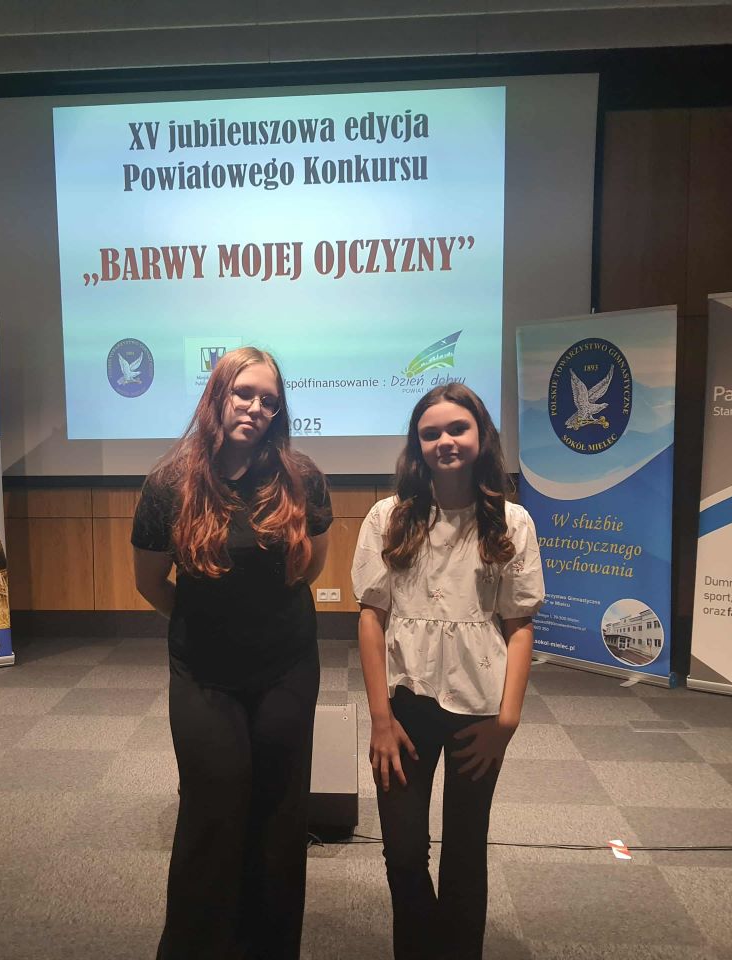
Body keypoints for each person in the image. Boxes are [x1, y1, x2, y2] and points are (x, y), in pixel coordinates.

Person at [131, 346, 332, 960]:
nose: (256, 408)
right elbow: (149, 583)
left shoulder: (301, 478)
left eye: (269, 400)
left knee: (280, 815)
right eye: (245, 393)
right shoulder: (169, 484)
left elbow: (310, 568)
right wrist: (206, 621)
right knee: (212, 814)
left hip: (286, 668)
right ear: (217, 396)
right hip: (204, 674)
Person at [351, 383, 545, 960]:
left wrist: (506, 722)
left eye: (457, 428)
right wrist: (379, 720)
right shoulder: (388, 516)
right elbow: (371, 617)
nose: (445, 441)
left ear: (482, 435)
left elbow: (519, 625)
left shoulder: (512, 521)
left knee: (465, 850)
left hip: (480, 710)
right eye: (430, 432)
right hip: (404, 709)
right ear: (417, 444)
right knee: (403, 851)